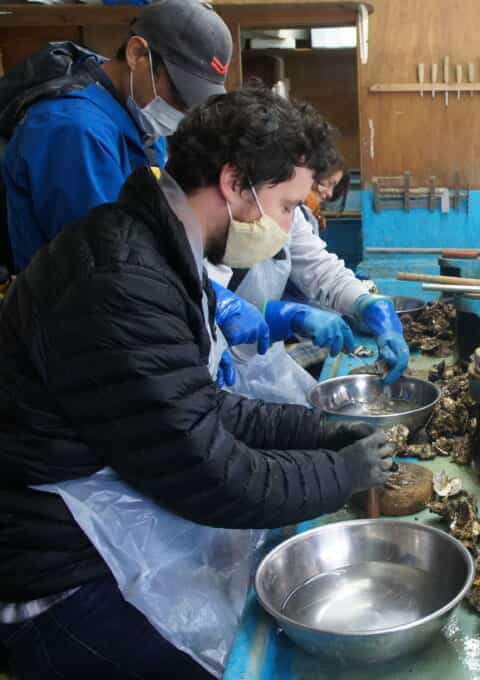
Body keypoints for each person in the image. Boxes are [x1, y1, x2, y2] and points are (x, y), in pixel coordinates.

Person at [0, 88, 396, 679]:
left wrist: (322, 431)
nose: (289, 230)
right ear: (236, 183)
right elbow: (210, 473)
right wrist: (341, 474)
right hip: (52, 583)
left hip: (102, 531)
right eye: (288, 206)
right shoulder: (123, 280)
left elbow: (205, 406)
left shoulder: (155, 246)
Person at [0, 0, 272, 385]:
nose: (181, 109)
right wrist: (210, 304)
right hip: (68, 334)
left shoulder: (138, 125)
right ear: (137, 54)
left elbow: (159, 231)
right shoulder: (74, 130)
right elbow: (110, 263)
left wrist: (203, 297)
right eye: (178, 92)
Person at [216, 155, 410, 404]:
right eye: (287, 207)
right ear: (236, 184)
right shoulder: (201, 232)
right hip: (222, 378)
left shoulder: (291, 214)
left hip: (266, 363)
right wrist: (272, 316)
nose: (289, 221)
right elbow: (203, 307)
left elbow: (320, 268)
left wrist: (366, 303)